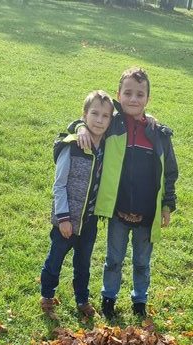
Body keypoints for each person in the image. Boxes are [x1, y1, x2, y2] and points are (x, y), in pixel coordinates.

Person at [74, 67, 178, 319]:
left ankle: (139, 300)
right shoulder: (112, 125)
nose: (133, 99)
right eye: (128, 93)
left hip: (147, 214)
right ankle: (108, 297)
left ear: (148, 99)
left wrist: (167, 205)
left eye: (140, 94)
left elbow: (170, 172)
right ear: (118, 95)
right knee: (113, 259)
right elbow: (89, 120)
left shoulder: (159, 134)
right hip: (118, 211)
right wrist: (80, 128)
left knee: (142, 262)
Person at [40, 90, 113, 318]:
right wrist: (63, 218)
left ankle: (82, 300)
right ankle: (47, 297)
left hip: (89, 220)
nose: (99, 120)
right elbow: (59, 185)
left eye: (105, 116)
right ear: (84, 115)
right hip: (67, 219)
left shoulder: (107, 147)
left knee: (83, 264)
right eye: (94, 114)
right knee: (55, 260)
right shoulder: (71, 145)